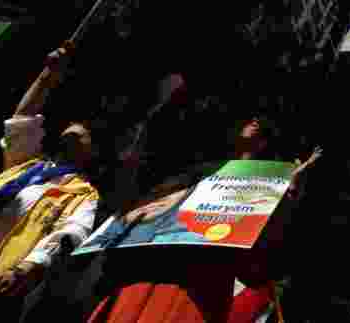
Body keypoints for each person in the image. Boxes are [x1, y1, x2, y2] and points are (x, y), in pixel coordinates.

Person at [80, 75, 318, 323]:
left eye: (262, 124)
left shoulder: (266, 186)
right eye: (248, 118)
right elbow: (139, 218)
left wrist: (290, 194)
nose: (254, 123)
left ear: (266, 142)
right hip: (138, 286)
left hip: (191, 299)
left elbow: (256, 271)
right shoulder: (196, 172)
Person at [0, 41, 103, 321]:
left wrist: (27, 267)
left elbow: (71, 233)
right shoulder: (27, 164)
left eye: (85, 131)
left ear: (93, 152)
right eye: (73, 124)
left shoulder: (84, 194)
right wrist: (47, 76)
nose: (76, 128)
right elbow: (22, 120)